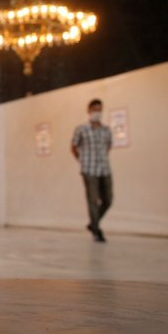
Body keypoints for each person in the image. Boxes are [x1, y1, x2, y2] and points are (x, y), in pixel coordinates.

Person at [71, 98, 113, 242]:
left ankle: (93, 224)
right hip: (89, 170)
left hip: (104, 169)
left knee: (108, 199)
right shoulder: (81, 129)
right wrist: (82, 161)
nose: (97, 112)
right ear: (89, 111)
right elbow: (74, 146)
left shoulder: (106, 130)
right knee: (93, 200)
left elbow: (108, 146)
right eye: (95, 109)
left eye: (99, 109)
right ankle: (96, 231)